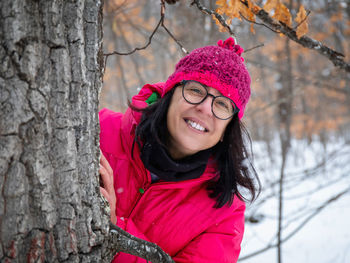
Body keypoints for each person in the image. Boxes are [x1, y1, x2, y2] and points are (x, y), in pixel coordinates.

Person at [99, 37, 260, 263]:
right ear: (170, 93)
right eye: (196, 90)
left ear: (227, 128)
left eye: (222, 104)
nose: (205, 108)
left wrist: (118, 231)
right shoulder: (99, 130)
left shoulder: (224, 213)